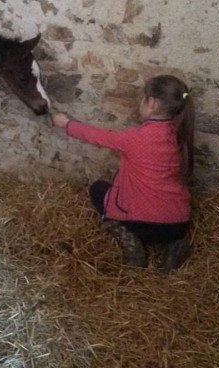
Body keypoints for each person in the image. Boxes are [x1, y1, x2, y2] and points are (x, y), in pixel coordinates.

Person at [52, 75, 195, 272]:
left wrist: (66, 124)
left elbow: (97, 137)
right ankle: (175, 244)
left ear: (151, 103)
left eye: (142, 98)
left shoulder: (134, 138)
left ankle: (129, 238)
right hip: (178, 224)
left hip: (141, 225)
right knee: (160, 212)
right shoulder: (177, 136)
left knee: (98, 189)